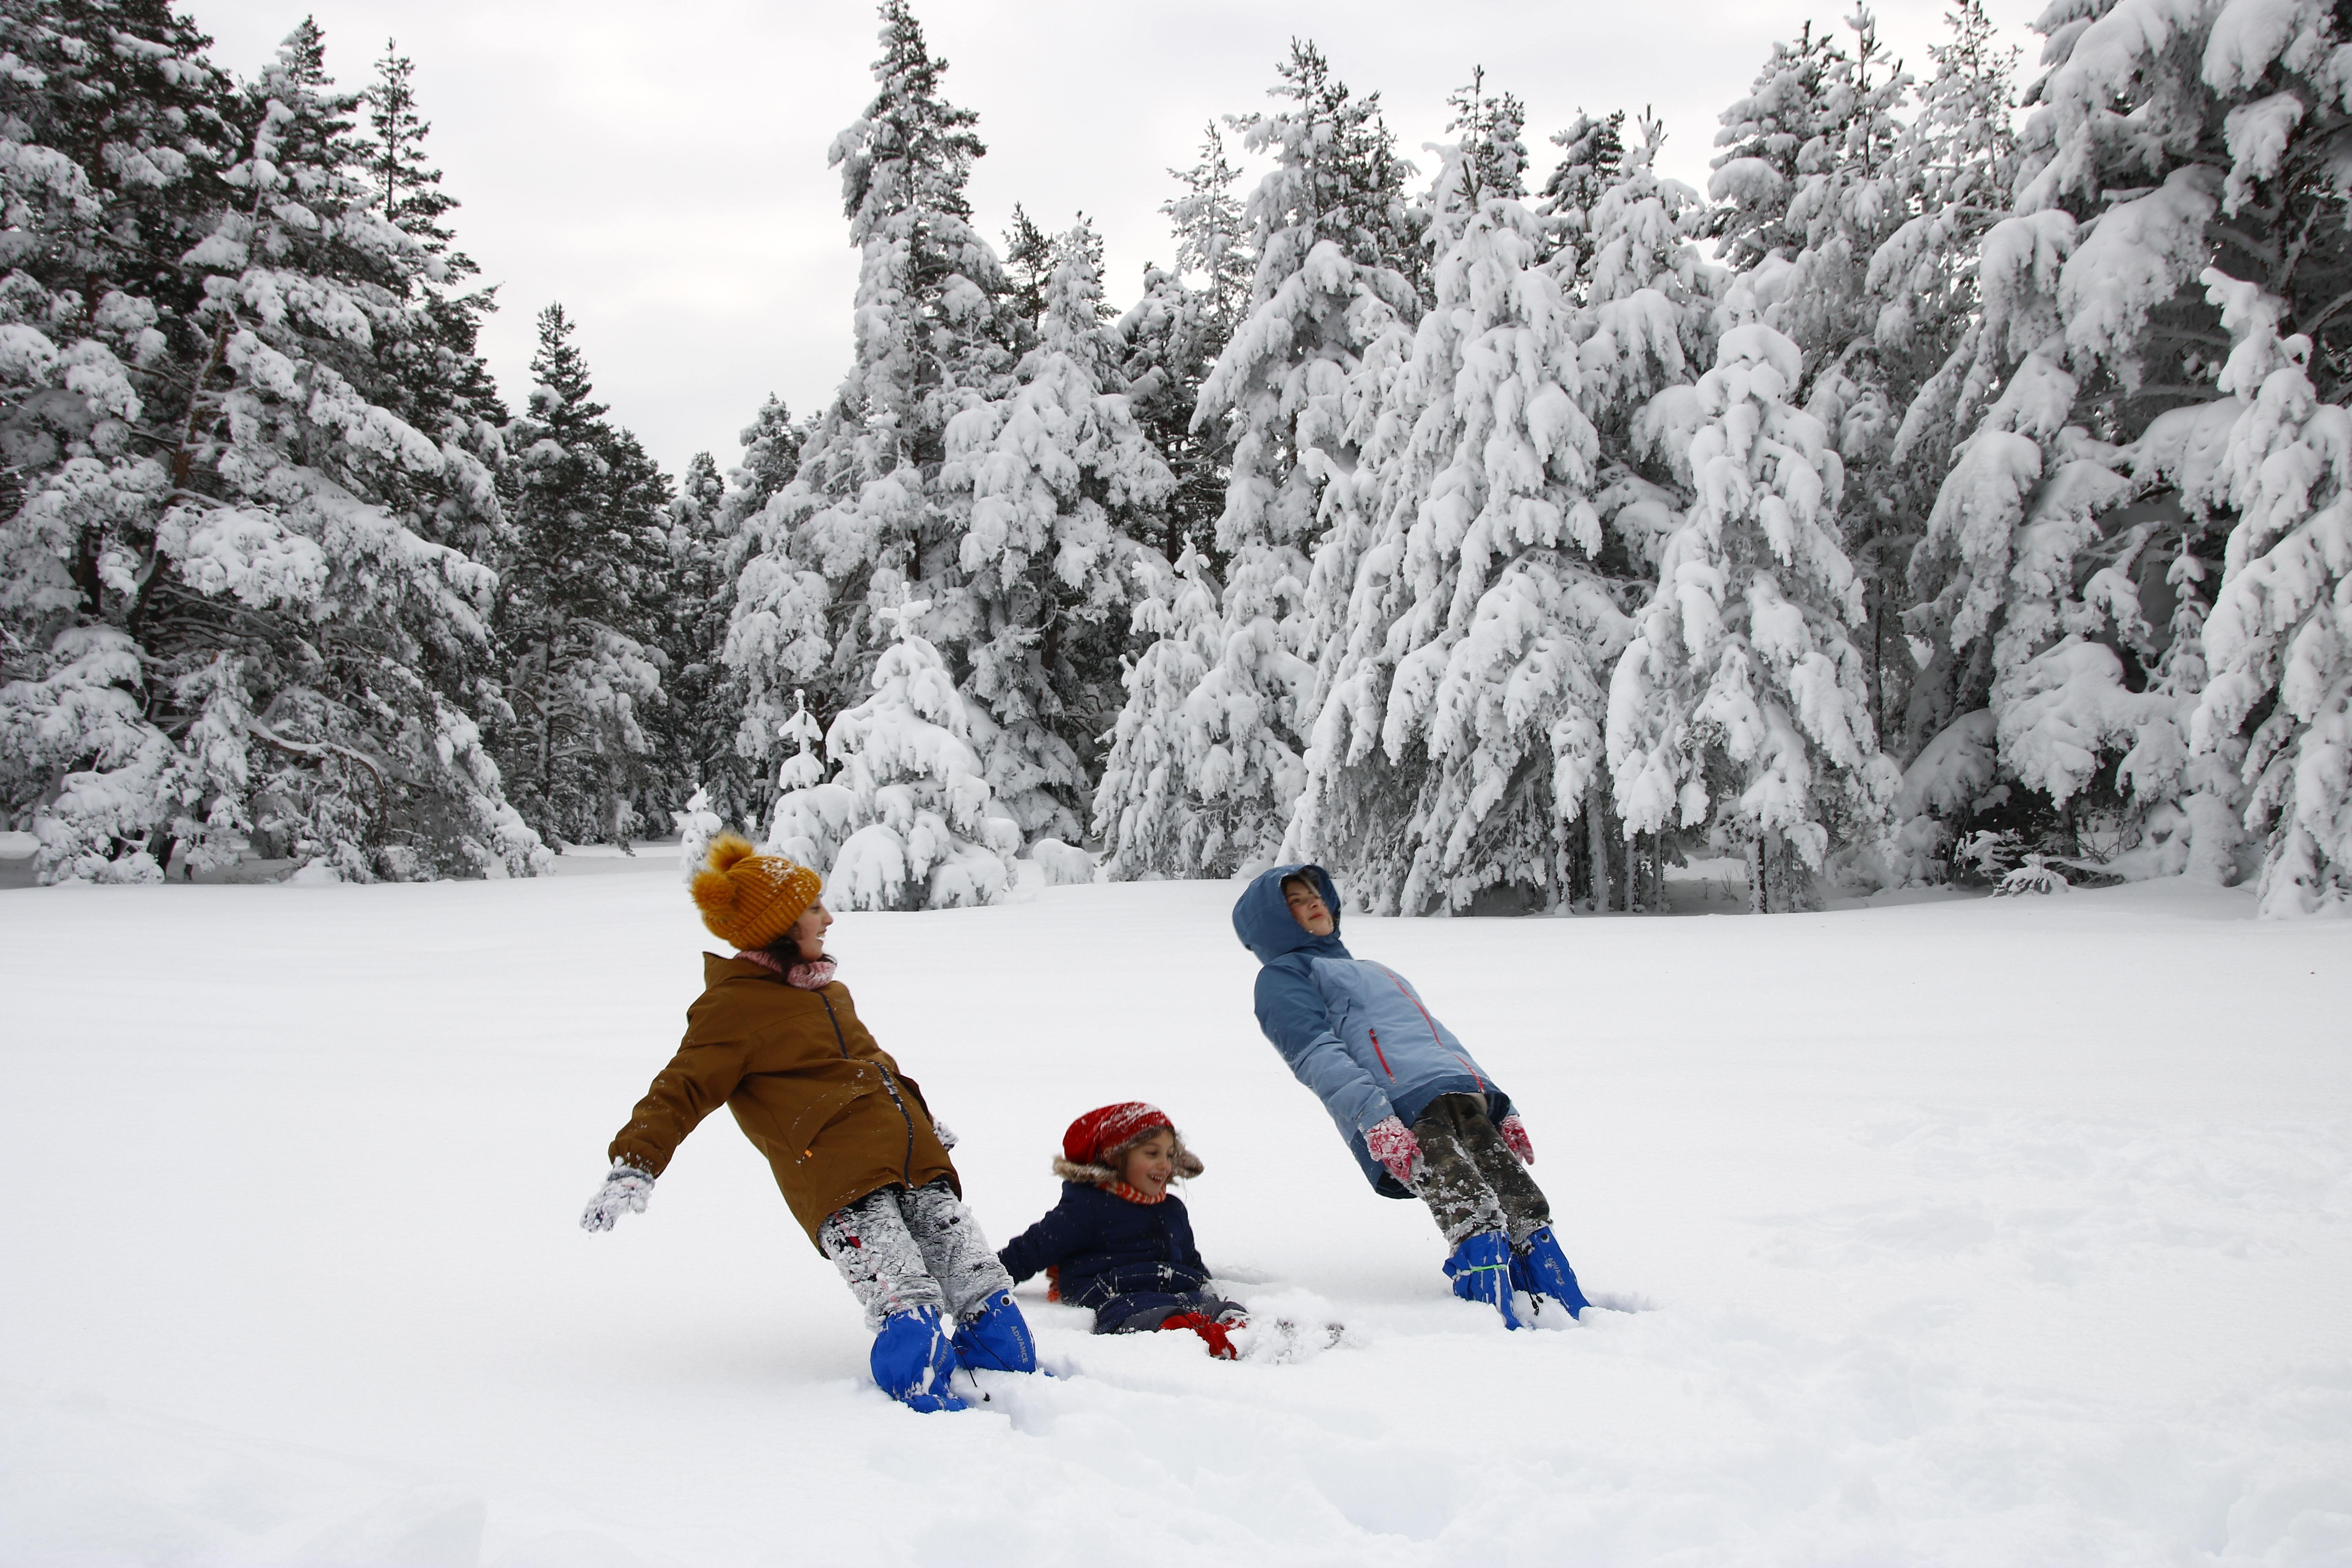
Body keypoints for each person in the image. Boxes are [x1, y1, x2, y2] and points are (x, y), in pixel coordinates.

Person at [579, 835, 1036, 1411]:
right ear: (778, 926)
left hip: (911, 1158)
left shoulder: (828, 991)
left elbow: (875, 1063)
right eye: (813, 909)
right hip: (842, 1178)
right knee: (906, 1293)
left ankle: (1016, 1383)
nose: (829, 918)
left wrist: (920, 1118)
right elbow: (683, 1087)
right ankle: (927, 1408)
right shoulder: (734, 1007)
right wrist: (636, 1164)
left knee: (979, 1277)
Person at [1231, 863, 1590, 1327]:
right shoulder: (1283, 977)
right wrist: (1374, 1117)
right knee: (1468, 1200)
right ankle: (1490, 1313)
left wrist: (1501, 1104)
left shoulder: (1376, 971)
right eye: (1294, 901)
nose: (1313, 902)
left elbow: (1440, 1038)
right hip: (1401, 1108)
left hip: (1457, 1091)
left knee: (1519, 1197)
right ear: (1272, 922)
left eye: (1313, 893)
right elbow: (1317, 1055)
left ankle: (1557, 1297)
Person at [998, 1103, 1247, 1359]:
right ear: (1114, 1158)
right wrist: (984, 1282)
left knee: (1226, 1311)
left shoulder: (1172, 1210)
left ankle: (1249, 1339)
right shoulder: (1088, 1208)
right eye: (1152, 1154)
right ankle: (1199, 1342)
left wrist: (1207, 1286)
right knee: (1170, 1322)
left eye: (1170, 1155)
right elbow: (1034, 1248)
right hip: (1119, 1299)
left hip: (1178, 1292)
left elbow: (1190, 1261)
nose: (1164, 1165)